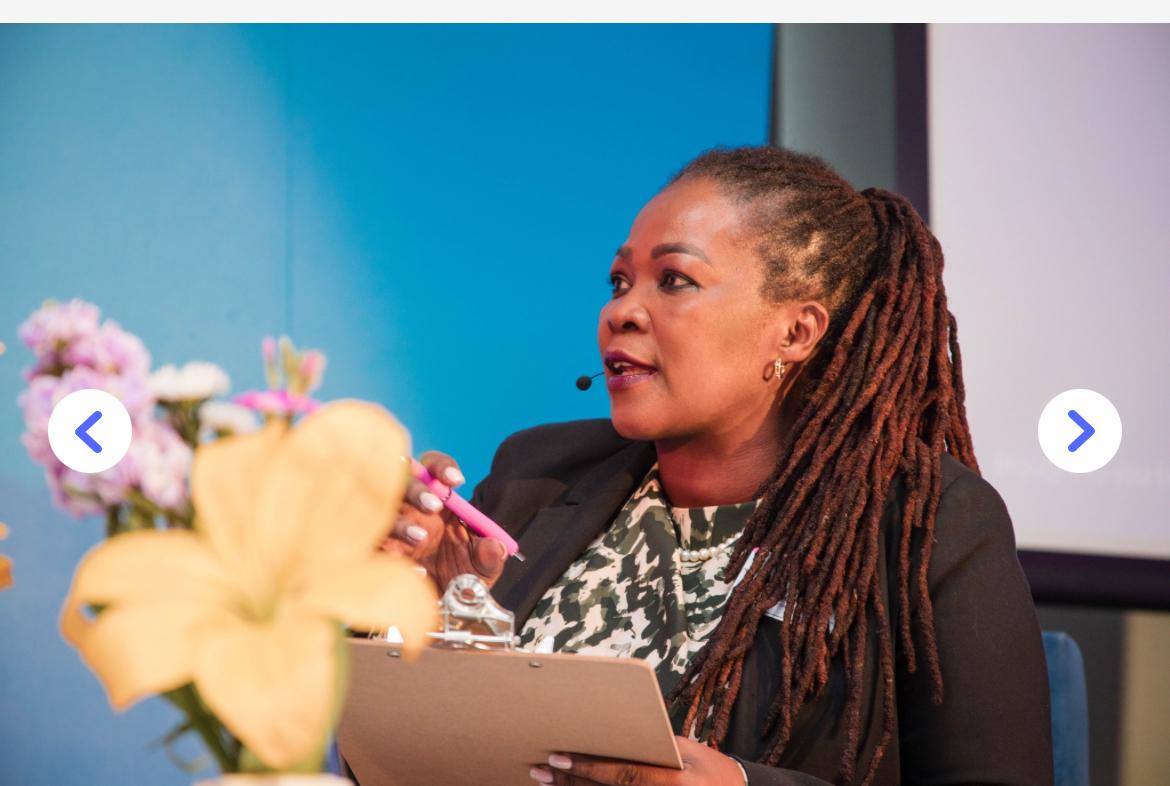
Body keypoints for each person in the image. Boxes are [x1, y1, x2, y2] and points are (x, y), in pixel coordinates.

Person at [381, 146, 1054, 786]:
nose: (621, 311)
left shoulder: (929, 522)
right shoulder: (536, 475)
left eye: (674, 280)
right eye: (619, 281)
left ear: (795, 331)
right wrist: (423, 617)